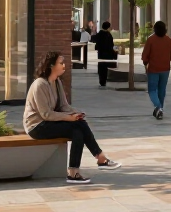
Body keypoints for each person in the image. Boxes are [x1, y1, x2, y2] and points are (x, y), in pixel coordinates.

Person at [23, 51, 121, 184]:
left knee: (78, 129)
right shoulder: (40, 85)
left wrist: (76, 114)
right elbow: (46, 114)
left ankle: (75, 172)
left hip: (50, 122)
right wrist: (69, 118)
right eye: (61, 63)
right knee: (77, 127)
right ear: (51, 65)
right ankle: (99, 158)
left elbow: (64, 106)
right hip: (37, 126)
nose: (64, 65)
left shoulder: (57, 82)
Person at [141, 20, 171, 119]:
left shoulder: (151, 40)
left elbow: (145, 54)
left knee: (152, 90)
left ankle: (158, 107)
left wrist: (145, 62)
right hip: (165, 69)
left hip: (153, 69)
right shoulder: (169, 40)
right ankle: (160, 109)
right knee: (162, 90)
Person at [92, 21, 117, 88]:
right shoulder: (108, 35)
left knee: (101, 67)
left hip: (101, 53)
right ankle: (104, 81)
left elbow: (94, 39)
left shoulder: (100, 34)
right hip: (107, 53)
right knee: (105, 68)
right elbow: (111, 44)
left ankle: (101, 80)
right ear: (108, 27)